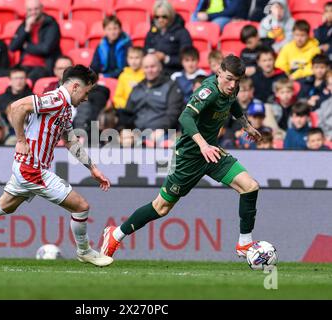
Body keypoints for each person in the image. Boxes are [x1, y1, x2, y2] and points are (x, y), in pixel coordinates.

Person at [0, 65, 113, 267]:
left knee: (4, 206)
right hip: (32, 169)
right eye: (86, 92)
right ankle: (84, 252)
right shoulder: (56, 99)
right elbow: (17, 107)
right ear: (75, 87)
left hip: (28, 167)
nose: (86, 98)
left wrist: (92, 168)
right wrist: (20, 139)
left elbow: (70, 141)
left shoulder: (65, 108)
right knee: (81, 207)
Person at [100, 55, 263, 259]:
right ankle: (115, 234)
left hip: (212, 153)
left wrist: (246, 125)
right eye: (229, 78)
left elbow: (233, 103)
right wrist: (202, 145)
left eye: (237, 81)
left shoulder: (232, 88)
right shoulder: (208, 92)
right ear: (219, 72)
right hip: (189, 156)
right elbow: (185, 117)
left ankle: (244, 244)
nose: (232, 85)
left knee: (250, 187)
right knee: (161, 207)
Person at [121, 54, 184, 133]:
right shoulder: (137, 88)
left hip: (162, 133)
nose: (149, 70)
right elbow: (127, 113)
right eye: (146, 67)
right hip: (137, 132)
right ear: (142, 69)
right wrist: (125, 129)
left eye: (153, 66)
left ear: (160, 67)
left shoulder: (171, 86)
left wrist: (161, 130)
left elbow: (173, 114)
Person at [9, 0, 61, 83]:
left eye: (36, 9)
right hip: (24, 65)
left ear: (42, 8)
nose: (33, 12)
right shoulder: (24, 25)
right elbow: (12, 47)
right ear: (26, 11)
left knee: (28, 80)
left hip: (43, 66)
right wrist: (26, 29)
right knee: (5, 77)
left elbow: (46, 49)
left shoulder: (51, 24)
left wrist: (26, 46)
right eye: (30, 10)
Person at [145, 0, 192, 75]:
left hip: (174, 73)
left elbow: (187, 58)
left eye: (164, 17)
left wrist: (166, 58)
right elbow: (146, 49)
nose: (160, 20)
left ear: (171, 15)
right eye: (157, 17)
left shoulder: (182, 32)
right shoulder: (152, 31)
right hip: (154, 72)